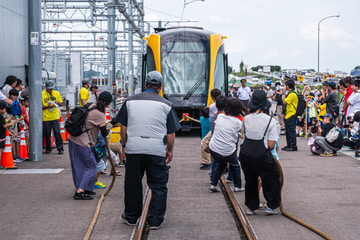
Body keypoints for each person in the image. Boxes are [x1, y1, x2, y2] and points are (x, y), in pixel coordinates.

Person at [116, 71, 181, 229]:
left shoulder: (130, 101)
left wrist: (124, 146)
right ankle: (155, 220)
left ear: (145, 84)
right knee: (158, 186)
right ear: (161, 87)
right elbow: (171, 133)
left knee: (132, 184)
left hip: (134, 149)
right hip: (156, 149)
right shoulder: (166, 105)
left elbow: (123, 127)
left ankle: (131, 217)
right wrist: (169, 150)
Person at [239, 90, 281, 215]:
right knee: (272, 178)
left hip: (245, 155)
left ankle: (251, 207)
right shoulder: (271, 121)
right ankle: (271, 206)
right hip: (262, 156)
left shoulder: (246, 119)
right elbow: (271, 145)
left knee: (250, 180)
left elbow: (244, 135)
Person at [68, 91, 113, 200]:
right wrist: (111, 127)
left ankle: (85, 188)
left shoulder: (91, 106)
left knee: (79, 167)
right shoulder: (99, 113)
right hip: (83, 142)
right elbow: (103, 132)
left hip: (74, 139)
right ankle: (80, 191)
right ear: (108, 104)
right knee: (91, 166)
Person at [209, 98, 248, 193]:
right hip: (227, 151)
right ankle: (238, 186)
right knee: (235, 165)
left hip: (213, 148)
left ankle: (213, 184)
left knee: (221, 164)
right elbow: (243, 131)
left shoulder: (220, 117)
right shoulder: (237, 122)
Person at [42, 80, 64, 154]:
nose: (51, 90)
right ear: (46, 87)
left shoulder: (56, 93)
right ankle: (48, 148)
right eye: (49, 88)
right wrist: (48, 106)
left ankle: (60, 148)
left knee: (57, 132)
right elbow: (40, 106)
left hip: (55, 116)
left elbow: (61, 103)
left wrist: (58, 103)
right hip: (46, 116)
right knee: (47, 133)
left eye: (51, 88)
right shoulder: (42, 94)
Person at [0, 100, 20, 168]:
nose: (5, 110)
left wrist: (10, 119)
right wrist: (13, 122)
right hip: (1, 135)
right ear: (0, 109)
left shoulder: (1, 116)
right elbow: (4, 125)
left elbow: (4, 122)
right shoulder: (0, 116)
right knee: (0, 150)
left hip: (2, 135)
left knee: (1, 149)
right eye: (4, 108)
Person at [282, 79, 298, 151]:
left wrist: (283, 93)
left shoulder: (292, 94)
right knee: (288, 131)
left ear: (287, 86)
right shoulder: (291, 93)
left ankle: (293, 146)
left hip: (292, 114)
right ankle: (289, 145)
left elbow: (284, 101)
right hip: (288, 114)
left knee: (291, 131)